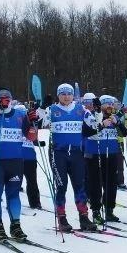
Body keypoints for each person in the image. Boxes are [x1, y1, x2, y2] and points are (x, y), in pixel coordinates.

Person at [0, 86, 37, 240]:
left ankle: (15, 225)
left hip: (15, 161)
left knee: (13, 194)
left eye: (7, 97)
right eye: (1, 97)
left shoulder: (20, 115)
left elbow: (30, 137)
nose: (5, 100)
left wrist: (33, 123)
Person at [44, 83, 95, 232]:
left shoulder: (81, 109)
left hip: (76, 153)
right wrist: (41, 108)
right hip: (58, 153)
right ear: (58, 95)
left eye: (69, 94)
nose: (66, 97)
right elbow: (40, 123)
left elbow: (94, 125)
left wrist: (96, 111)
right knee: (61, 186)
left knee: (80, 185)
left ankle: (84, 217)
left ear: (73, 95)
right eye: (63, 94)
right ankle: (62, 218)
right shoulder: (52, 109)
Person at [84, 94, 127, 225]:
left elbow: (124, 134)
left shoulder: (115, 117)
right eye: (107, 103)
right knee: (96, 183)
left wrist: (118, 123)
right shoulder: (94, 115)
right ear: (100, 105)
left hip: (112, 152)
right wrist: (102, 124)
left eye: (111, 103)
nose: (110, 106)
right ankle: (96, 211)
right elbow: (89, 132)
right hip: (97, 153)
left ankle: (109, 209)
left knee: (111, 182)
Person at [14, 104, 42, 210]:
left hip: (30, 157)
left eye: (23, 114)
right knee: (15, 181)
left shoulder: (30, 123)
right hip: (16, 157)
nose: (21, 116)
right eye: (19, 114)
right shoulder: (13, 123)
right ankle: (13, 202)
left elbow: (34, 138)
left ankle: (35, 202)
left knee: (32, 181)